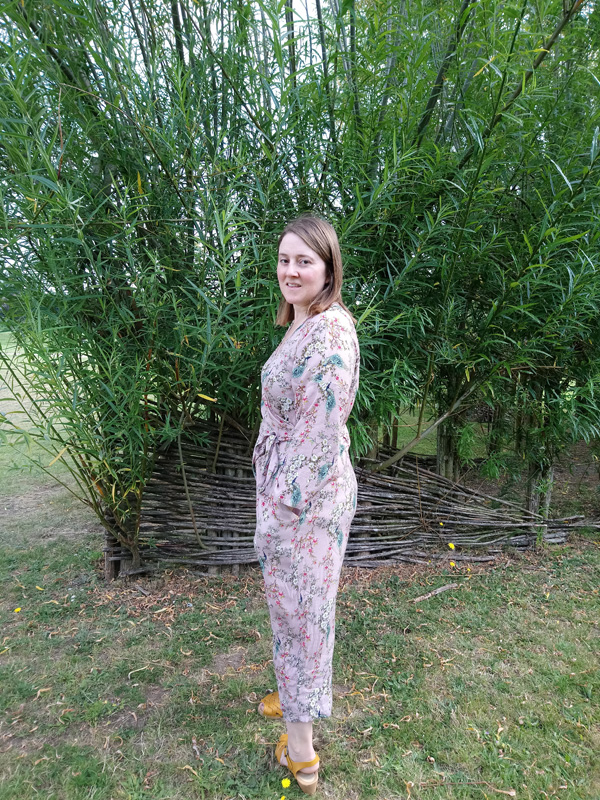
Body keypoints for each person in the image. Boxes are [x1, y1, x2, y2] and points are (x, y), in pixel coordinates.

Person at [252, 215, 360, 794]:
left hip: (304, 503)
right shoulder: (303, 322)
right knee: (296, 611)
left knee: (304, 617)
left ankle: (302, 754)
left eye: (305, 261)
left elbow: (316, 437)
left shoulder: (330, 336)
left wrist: (278, 511)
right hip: (294, 493)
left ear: (328, 268)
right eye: (284, 259)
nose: (291, 271)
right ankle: (295, 696)